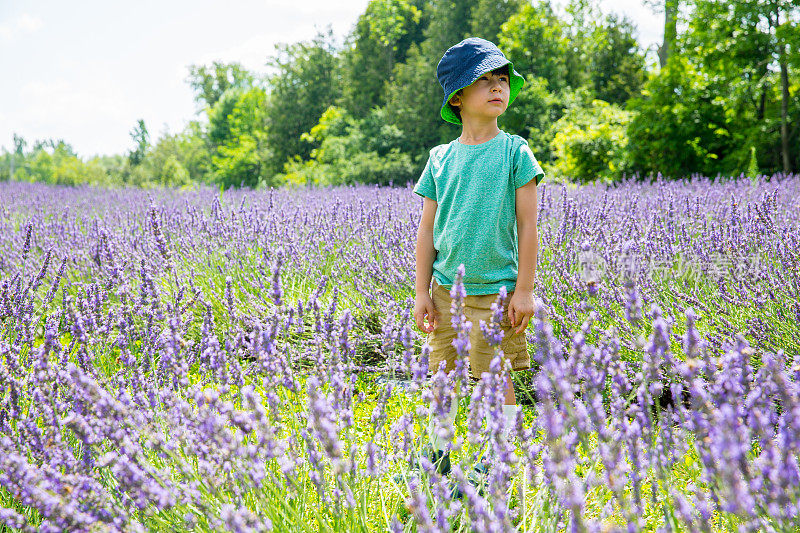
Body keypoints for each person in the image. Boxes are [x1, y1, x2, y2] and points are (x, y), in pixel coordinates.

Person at [410, 37, 544, 479]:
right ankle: (438, 456)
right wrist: (421, 293)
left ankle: (499, 462)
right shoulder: (440, 158)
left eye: (502, 79)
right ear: (458, 97)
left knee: (494, 377)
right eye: (482, 80)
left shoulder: (515, 152)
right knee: (442, 376)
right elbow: (428, 230)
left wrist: (524, 290)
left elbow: (528, 226)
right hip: (445, 288)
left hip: (497, 290)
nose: (496, 88)